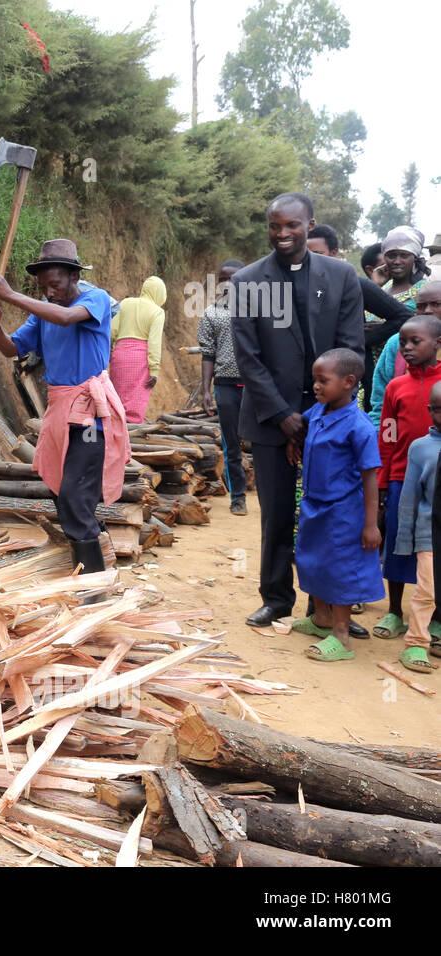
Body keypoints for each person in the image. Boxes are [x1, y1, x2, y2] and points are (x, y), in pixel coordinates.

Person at [230, 192, 365, 628]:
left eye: (292, 225)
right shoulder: (248, 281)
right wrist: (286, 417)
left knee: (330, 513)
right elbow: (248, 358)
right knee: (277, 511)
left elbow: (351, 349)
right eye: (275, 226)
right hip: (272, 418)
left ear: (311, 224)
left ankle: (325, 605)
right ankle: (276, 598)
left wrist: (318, 416)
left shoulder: (341, 276)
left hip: (331, 421)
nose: (283, 233)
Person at [0, 238, 131, 577]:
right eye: (43, 286)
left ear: (74, 277)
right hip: (62, 411)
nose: (49, 292)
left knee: (76, 496)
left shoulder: (95, 300)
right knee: (61, 490)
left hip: (92, 419)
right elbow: (11, 349)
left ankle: (93, 586)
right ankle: (99, 551)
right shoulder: (44, 313)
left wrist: (11, 295)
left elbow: (66, 318)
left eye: (56, 284)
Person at [291, 349, 383, 661]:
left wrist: (371, 524)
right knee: (312, 560)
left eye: (322, 380)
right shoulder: (319, 411)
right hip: (314, 505)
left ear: (348, 382)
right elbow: (301, 427)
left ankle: (341, 636)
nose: (315, 386)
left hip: (344, 511)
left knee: (339, 569)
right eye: (315, 379)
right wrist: (293, 442)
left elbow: (370, 477)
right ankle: (321, 619)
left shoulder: (360, 426)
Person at [374, 314, 441, 641]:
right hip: (402, 476)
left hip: (437, 482)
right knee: (398, 545)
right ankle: (394, 611)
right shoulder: (394, 387)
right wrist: (384, 482)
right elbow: (387, 437)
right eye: (404, 342)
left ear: (437, 344)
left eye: (417, 341)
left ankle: (435, 616)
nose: (408, 348)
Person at [304, 225, 413, 418]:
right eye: (307, 254)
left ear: (334, 253)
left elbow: (403, 317)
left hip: (352, 382)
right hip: (310, 384)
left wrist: (363, 338)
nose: (312, 260)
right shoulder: (298, 288)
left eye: (319, 253)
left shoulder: (353, 284)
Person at [392, 379, 441, 673]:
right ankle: (416, 641)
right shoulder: (420, 448)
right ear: (429, 410)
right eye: (439, 410)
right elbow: (409, 498)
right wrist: (404, 541)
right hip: (428, 535)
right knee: (427, 591)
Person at [369, 228, 435, 421]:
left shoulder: (424, 291)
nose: (396, 261)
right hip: (374, 369)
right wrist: (374, 286)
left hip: (405, 365)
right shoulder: (383, 288)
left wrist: (382, 328)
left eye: (404, 255)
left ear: (415, 257)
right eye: (391, 255)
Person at [197, 259, 247, 515]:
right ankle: (238, 497)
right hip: (226, 386)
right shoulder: (210, 314)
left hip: (255, 386)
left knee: (263, 441)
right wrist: (206, 390)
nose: (228, 283)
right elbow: (208, 354)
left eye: (235, 278)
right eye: (223, 278)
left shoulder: (259, 311)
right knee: (231, 443)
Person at [109, 276, 166, 424]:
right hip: (139, 359)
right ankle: (130, 432)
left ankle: (114, 429)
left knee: (117, 397)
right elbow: (154, 343)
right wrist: (154, 370)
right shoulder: (157, 312)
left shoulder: (126, 303)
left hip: (120, 355)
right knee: (135, 401)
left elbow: (112, 330)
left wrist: (111, 351)